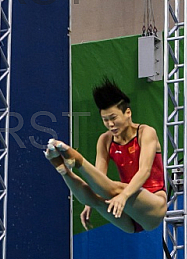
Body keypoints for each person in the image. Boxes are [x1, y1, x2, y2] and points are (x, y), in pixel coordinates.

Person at [44, 78, 167, 233]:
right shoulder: (105, 140)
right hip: (128, 218)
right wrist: (89, 203)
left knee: (117, 188)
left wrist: (124, 196)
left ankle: (78, 160)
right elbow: (98, 178)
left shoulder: (145, 133)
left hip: (154, 205)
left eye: (113, 118)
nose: (110, 124)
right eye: (105, 120)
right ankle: (64, 171)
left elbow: (144, 171)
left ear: (127, 112)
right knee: (94, 197)